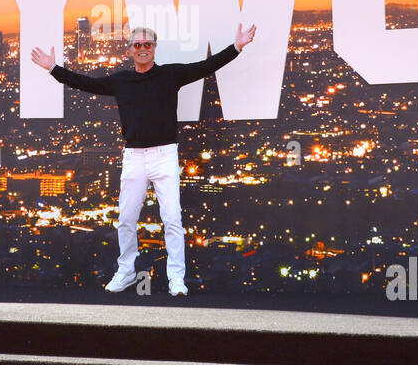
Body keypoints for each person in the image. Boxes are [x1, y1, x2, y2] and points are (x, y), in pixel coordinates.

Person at [31, 23, 256, 295]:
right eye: (137, 45)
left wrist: (236, 47)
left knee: (172, 219)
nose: (142, 49)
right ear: (130, 50)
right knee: (126, 219)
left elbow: (205, 66)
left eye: (147, 44)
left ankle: (176, 279)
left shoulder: (171, 74)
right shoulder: (121, 81)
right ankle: (125, 271)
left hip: (165, 155)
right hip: (134, 157)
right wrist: (53, 68)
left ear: (154, 48)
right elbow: (86, 83)